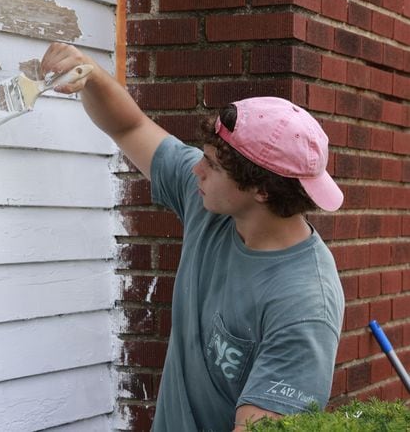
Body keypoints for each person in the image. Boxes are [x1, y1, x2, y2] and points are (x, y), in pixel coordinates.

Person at [40, 43, 345, 431]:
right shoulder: (215, 208)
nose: (196, 170)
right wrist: (90, 75)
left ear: (262, 190)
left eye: (212, 165)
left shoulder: (303, 305)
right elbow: (130, 126)